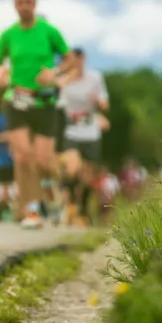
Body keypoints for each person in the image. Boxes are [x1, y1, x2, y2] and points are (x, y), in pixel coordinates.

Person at [0, 0, 73, 230]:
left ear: (35, 4)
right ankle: (32, 211)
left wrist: (54, 73)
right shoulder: (8, 35)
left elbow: (69, 60)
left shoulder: (49, 31)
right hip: (16, 100)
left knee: (44, 162)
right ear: (15, 5)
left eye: (28, 2)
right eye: (20, 2)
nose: (24, 6)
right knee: (22, 156)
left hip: (44, 102)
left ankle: (51, 190)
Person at [56, 47, 109, 227]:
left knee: (87, 176)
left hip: (91, 130)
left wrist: (99, 105)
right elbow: (58, 104)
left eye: (78, 59)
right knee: (72, 168)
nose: (75, 63)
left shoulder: (95, 78)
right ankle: (70, 202)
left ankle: (83, 211)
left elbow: (104, 103)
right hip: (71, 129)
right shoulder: (64, 80)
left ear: (83, 59)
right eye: (71, 59)